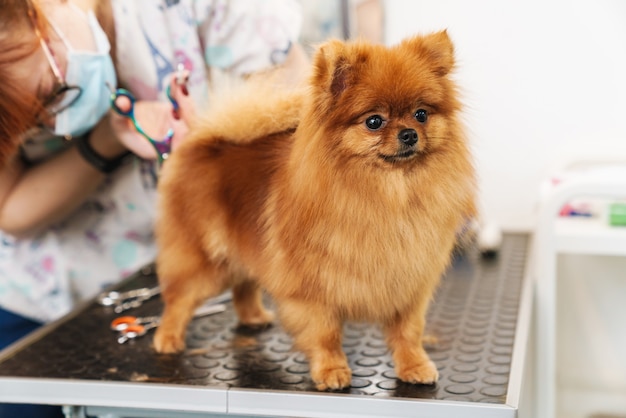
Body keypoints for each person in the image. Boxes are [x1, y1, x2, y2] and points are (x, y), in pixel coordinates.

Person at [0, 0, 306, 416]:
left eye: (52, 94)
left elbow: (306, 123)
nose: (59, 127)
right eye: (35, 127)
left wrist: (215, 151)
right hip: (36, 304)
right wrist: (107, 137)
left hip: (181, 288)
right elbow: (10, 209)